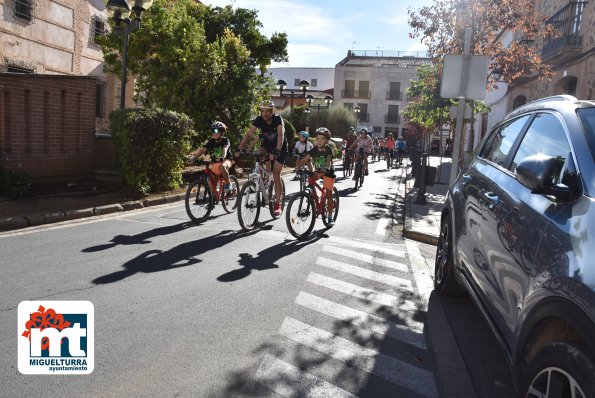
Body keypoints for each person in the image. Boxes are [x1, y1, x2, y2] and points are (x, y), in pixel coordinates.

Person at [235, 101, 288, 216]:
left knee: (276, 174)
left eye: (267, 111)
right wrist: (240, 148)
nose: (265, 114)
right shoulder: (259, 119)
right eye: (262, 111)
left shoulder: (278, 119)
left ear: (272, 111)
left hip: (280, 147)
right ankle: (261, 178)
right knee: (257, 154)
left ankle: (278, 204)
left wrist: (277, 150)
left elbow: (280, 135)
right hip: (266, 145)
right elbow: (249, 134)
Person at [295, 127, 336, 226]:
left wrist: (326, 168)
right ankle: (313, 198)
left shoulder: (328, 149)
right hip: (318, 172)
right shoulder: (314, 149)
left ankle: (330, 216)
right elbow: (305, 159)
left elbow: (329, 162)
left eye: (321, 139)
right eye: (317, 139)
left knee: (329, 195)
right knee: (310, 180)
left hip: (328, 172)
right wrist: (298, 168)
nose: (319, 141)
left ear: (326, 140)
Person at [188, 121, 234, 192]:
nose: (214, 133)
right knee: (211, 180)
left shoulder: (225, 140)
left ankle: (228, 184)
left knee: (222, 167)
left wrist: (222, 157)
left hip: (226, 160)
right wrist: (194, 158)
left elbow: (225, 148)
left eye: (216, 131)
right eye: (213, 131)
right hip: (216, 161)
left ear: (222, 132)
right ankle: (214, 195)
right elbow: (203, 150)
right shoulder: (212, 141)